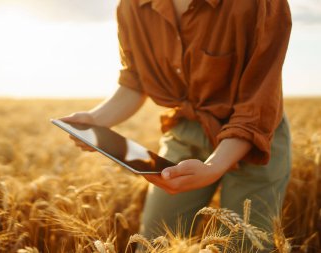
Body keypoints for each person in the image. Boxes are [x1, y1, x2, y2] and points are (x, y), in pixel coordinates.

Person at [60, 0, 292, 250]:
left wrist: (214, 166)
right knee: (154, 242)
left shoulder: (261, 4)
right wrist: (95, 120)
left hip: (254, 140)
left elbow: (257, 104)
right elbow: (136, 80)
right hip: (185, 130)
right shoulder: (132, 7)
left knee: (244, 245)